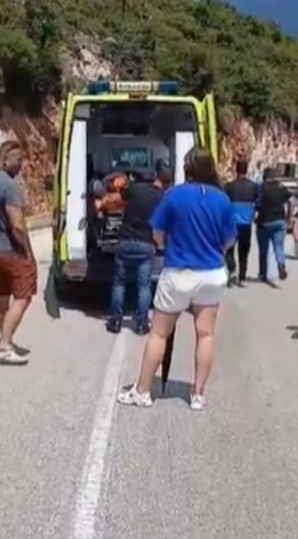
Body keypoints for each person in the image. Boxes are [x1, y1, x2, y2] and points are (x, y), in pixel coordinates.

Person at [117, 148, 234, 411]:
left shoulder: (174, 195)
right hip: (212, 273)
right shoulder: (221, 199)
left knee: (159, 333)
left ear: (187, 168)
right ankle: (198, 394)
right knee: (206, 333)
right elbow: (229, 241)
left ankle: (143, 390)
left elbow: (157, 233)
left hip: (179, 272)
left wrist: (166, 246)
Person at [0, 141, 35, 366]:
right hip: (10, 251)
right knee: (23, 297)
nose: (21, 164)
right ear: (5, 160)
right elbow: (17, 225)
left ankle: (5, 337)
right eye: (18, 159)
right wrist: (28, 251)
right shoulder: (10, 187)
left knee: (2, 296)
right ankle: (4, 347)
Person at [106, 164, 172, 335]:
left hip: (126, 241)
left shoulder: (136, 189)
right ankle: (142, 324)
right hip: (145, 244)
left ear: (155, 175)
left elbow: (119, 196)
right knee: (144, 286)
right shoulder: (163, 198)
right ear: (168, 183)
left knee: (119, 283)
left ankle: (115, 321)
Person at [223, 159, 258, 287]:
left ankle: (232, 270)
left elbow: (224, 204)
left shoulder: (229, 186)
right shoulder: (253, 186)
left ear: (236, 170)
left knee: (229, 250)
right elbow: (258, 203)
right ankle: (242, 278)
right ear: (246, 170)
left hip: (232, 223)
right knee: (243, 252)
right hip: (246, 224)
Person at [254, 166, 291, 284]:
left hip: (264, 221)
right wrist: (289, 217)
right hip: (279, 220)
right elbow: (290, 202)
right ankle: (281, 264)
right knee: (278, 247)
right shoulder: (282, 188)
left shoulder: (261, 188)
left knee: (263, 250)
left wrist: (255, 213)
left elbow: (256, 203)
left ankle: (263, 273)